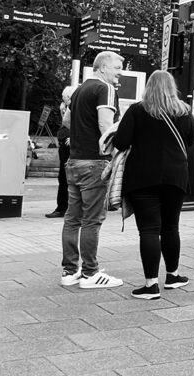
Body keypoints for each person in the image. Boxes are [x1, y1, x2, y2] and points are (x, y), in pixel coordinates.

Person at [111, 70, 194, 300]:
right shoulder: (183, 111)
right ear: (172, 87)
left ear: (149, 87)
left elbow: (120, 142)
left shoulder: (137, 110)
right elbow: (191, 140)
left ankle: (150, 286)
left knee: (148, 229)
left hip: (142, 177)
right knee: (171, 227)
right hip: (175, 177)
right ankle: (173, 276)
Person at [60, 51, 125, 289]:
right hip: (94, 162)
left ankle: (69, 271)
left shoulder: (78, 90)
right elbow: (105, 125)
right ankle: (90, 274)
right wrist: (115, 152)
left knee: (73, 218)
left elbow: (67, 121)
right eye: (118, 67)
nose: (120, 72)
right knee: (92, 220)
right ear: (103, 67)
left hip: (74, 161)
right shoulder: (105, 89)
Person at [47, 86, 78, 218]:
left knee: (66, 177)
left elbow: (77, 123)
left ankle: (64, 208)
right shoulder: (66, 108)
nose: (63, 99)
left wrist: (75, 136)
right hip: (65, 143)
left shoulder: (75, 107)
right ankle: (63, 207)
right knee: (64, 177)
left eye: (64, 97)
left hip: (70, 144)